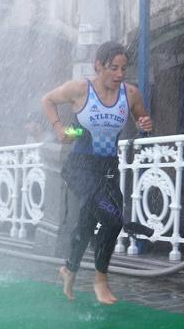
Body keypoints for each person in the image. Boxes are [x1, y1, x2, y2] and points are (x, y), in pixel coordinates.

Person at [41, 41, 153, 305]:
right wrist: (58, 128)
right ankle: (101, 280)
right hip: (80, 166)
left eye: (123, 68)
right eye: (113, 68)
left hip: (108, 169)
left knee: (88, 221)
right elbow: (47, 100)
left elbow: (142, 120)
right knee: (113, 219)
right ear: (98, 66)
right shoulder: (80, 89)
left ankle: (69, 269)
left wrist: (146, 123)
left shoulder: (131, 94)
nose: (119, 74)